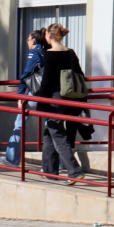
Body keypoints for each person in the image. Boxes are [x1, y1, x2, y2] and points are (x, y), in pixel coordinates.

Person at [34, 23, 85, 184]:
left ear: (49, 36)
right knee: (50, 132)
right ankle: (50, 171)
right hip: (69, 97)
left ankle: (75, 171)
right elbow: (80, 74)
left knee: (57, 133)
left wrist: (40, 104)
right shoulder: (70, 53)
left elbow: (46, 82)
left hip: (54, 98)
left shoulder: (49, 54)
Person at [0, 29, 47, 167]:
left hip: (34, 95)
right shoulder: (46, 52)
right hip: (46, 95)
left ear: (33, 41)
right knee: (51, 127)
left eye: (27, 40)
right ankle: (58, 163)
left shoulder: (34, 52)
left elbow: (26, 75)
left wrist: (20, 96)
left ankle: (12, 159)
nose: (27, 43)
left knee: (19, 125)